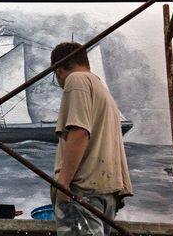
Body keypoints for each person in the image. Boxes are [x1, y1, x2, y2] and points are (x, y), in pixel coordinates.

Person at [50, 42, 133, 236]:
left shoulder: (76, 80)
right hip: (105, 192)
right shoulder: (99, 87)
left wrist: (63, 184)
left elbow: (79, 132)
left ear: (59, 70)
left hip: (82, 190)